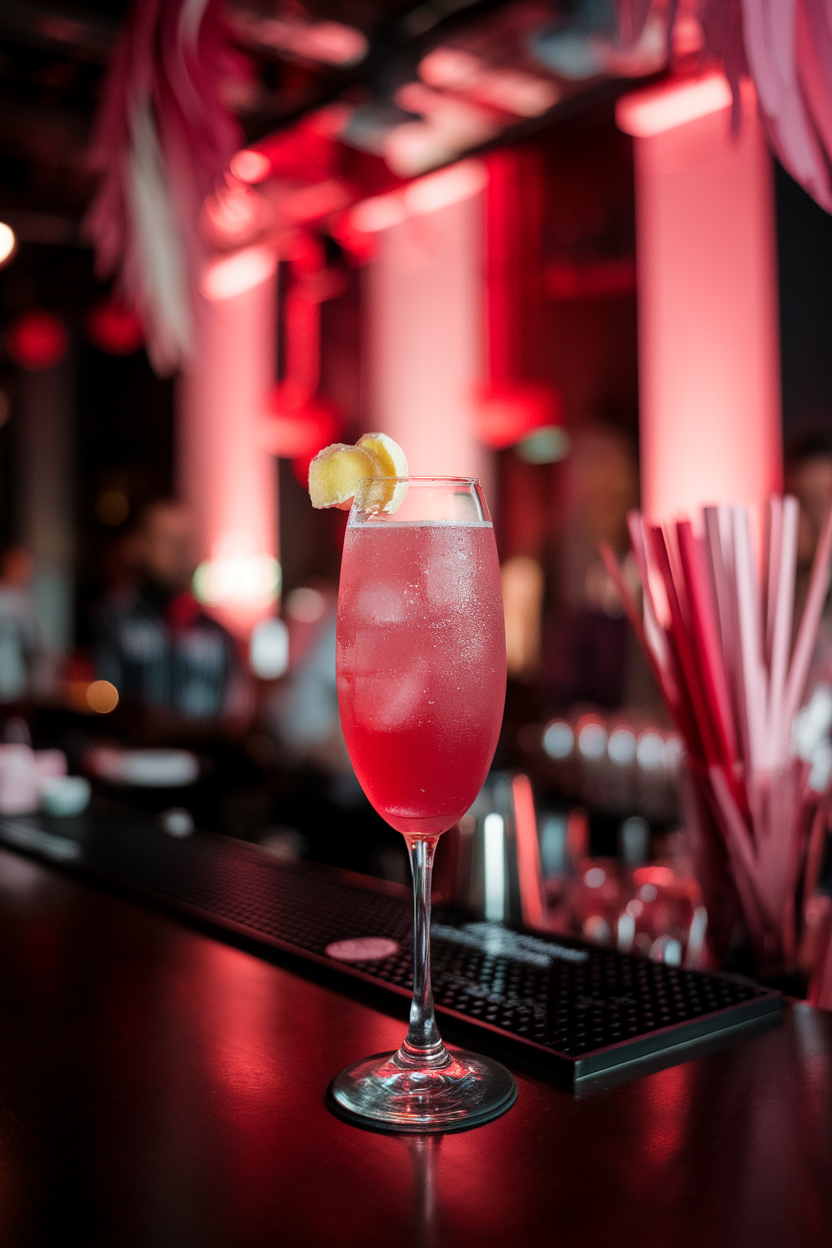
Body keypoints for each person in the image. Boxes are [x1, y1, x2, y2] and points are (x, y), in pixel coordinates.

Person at [95, 500, 243, 728]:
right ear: (136, 546)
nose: (181, 553)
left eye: (186, 543)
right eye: (168, 541)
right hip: (130, 757)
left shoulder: (219, 636)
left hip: (201, 759)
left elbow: (233, 717)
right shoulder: (111, 620)